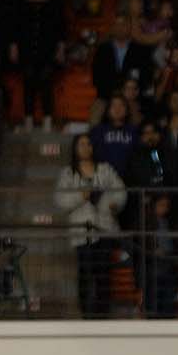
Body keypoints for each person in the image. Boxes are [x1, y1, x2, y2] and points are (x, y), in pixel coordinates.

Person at [54, 132, 126, 319]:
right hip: (81, 231)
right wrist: (82, 196)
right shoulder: (68, 173)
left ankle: (102, 314)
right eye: (81, 144)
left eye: (88, 144)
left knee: (103, 273)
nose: (86, 148)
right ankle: (86, 312)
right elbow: (60, 200)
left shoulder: (105, 169)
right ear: (75, 148)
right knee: (85, 272)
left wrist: (113, 204)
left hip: (104, 228)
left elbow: (120, 191)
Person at [9, 0, 65, 129]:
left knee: (46, 81)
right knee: (29, 82)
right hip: (27, 48)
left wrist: (60, 48)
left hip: (47, 48)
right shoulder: (20, 1)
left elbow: (60, 27)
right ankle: (28, 119)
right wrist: (14, 46)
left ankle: (48, 119)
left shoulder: (53, 1)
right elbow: (15, 26)